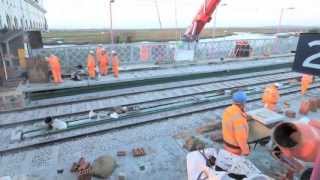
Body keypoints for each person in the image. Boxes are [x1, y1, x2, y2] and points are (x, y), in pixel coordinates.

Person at [222, 90, 250, 156]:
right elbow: (241, 138)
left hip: (227, 144)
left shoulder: (228, 110)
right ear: (242, 103)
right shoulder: (239, 119)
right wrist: (246, 151)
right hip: (234, 149)